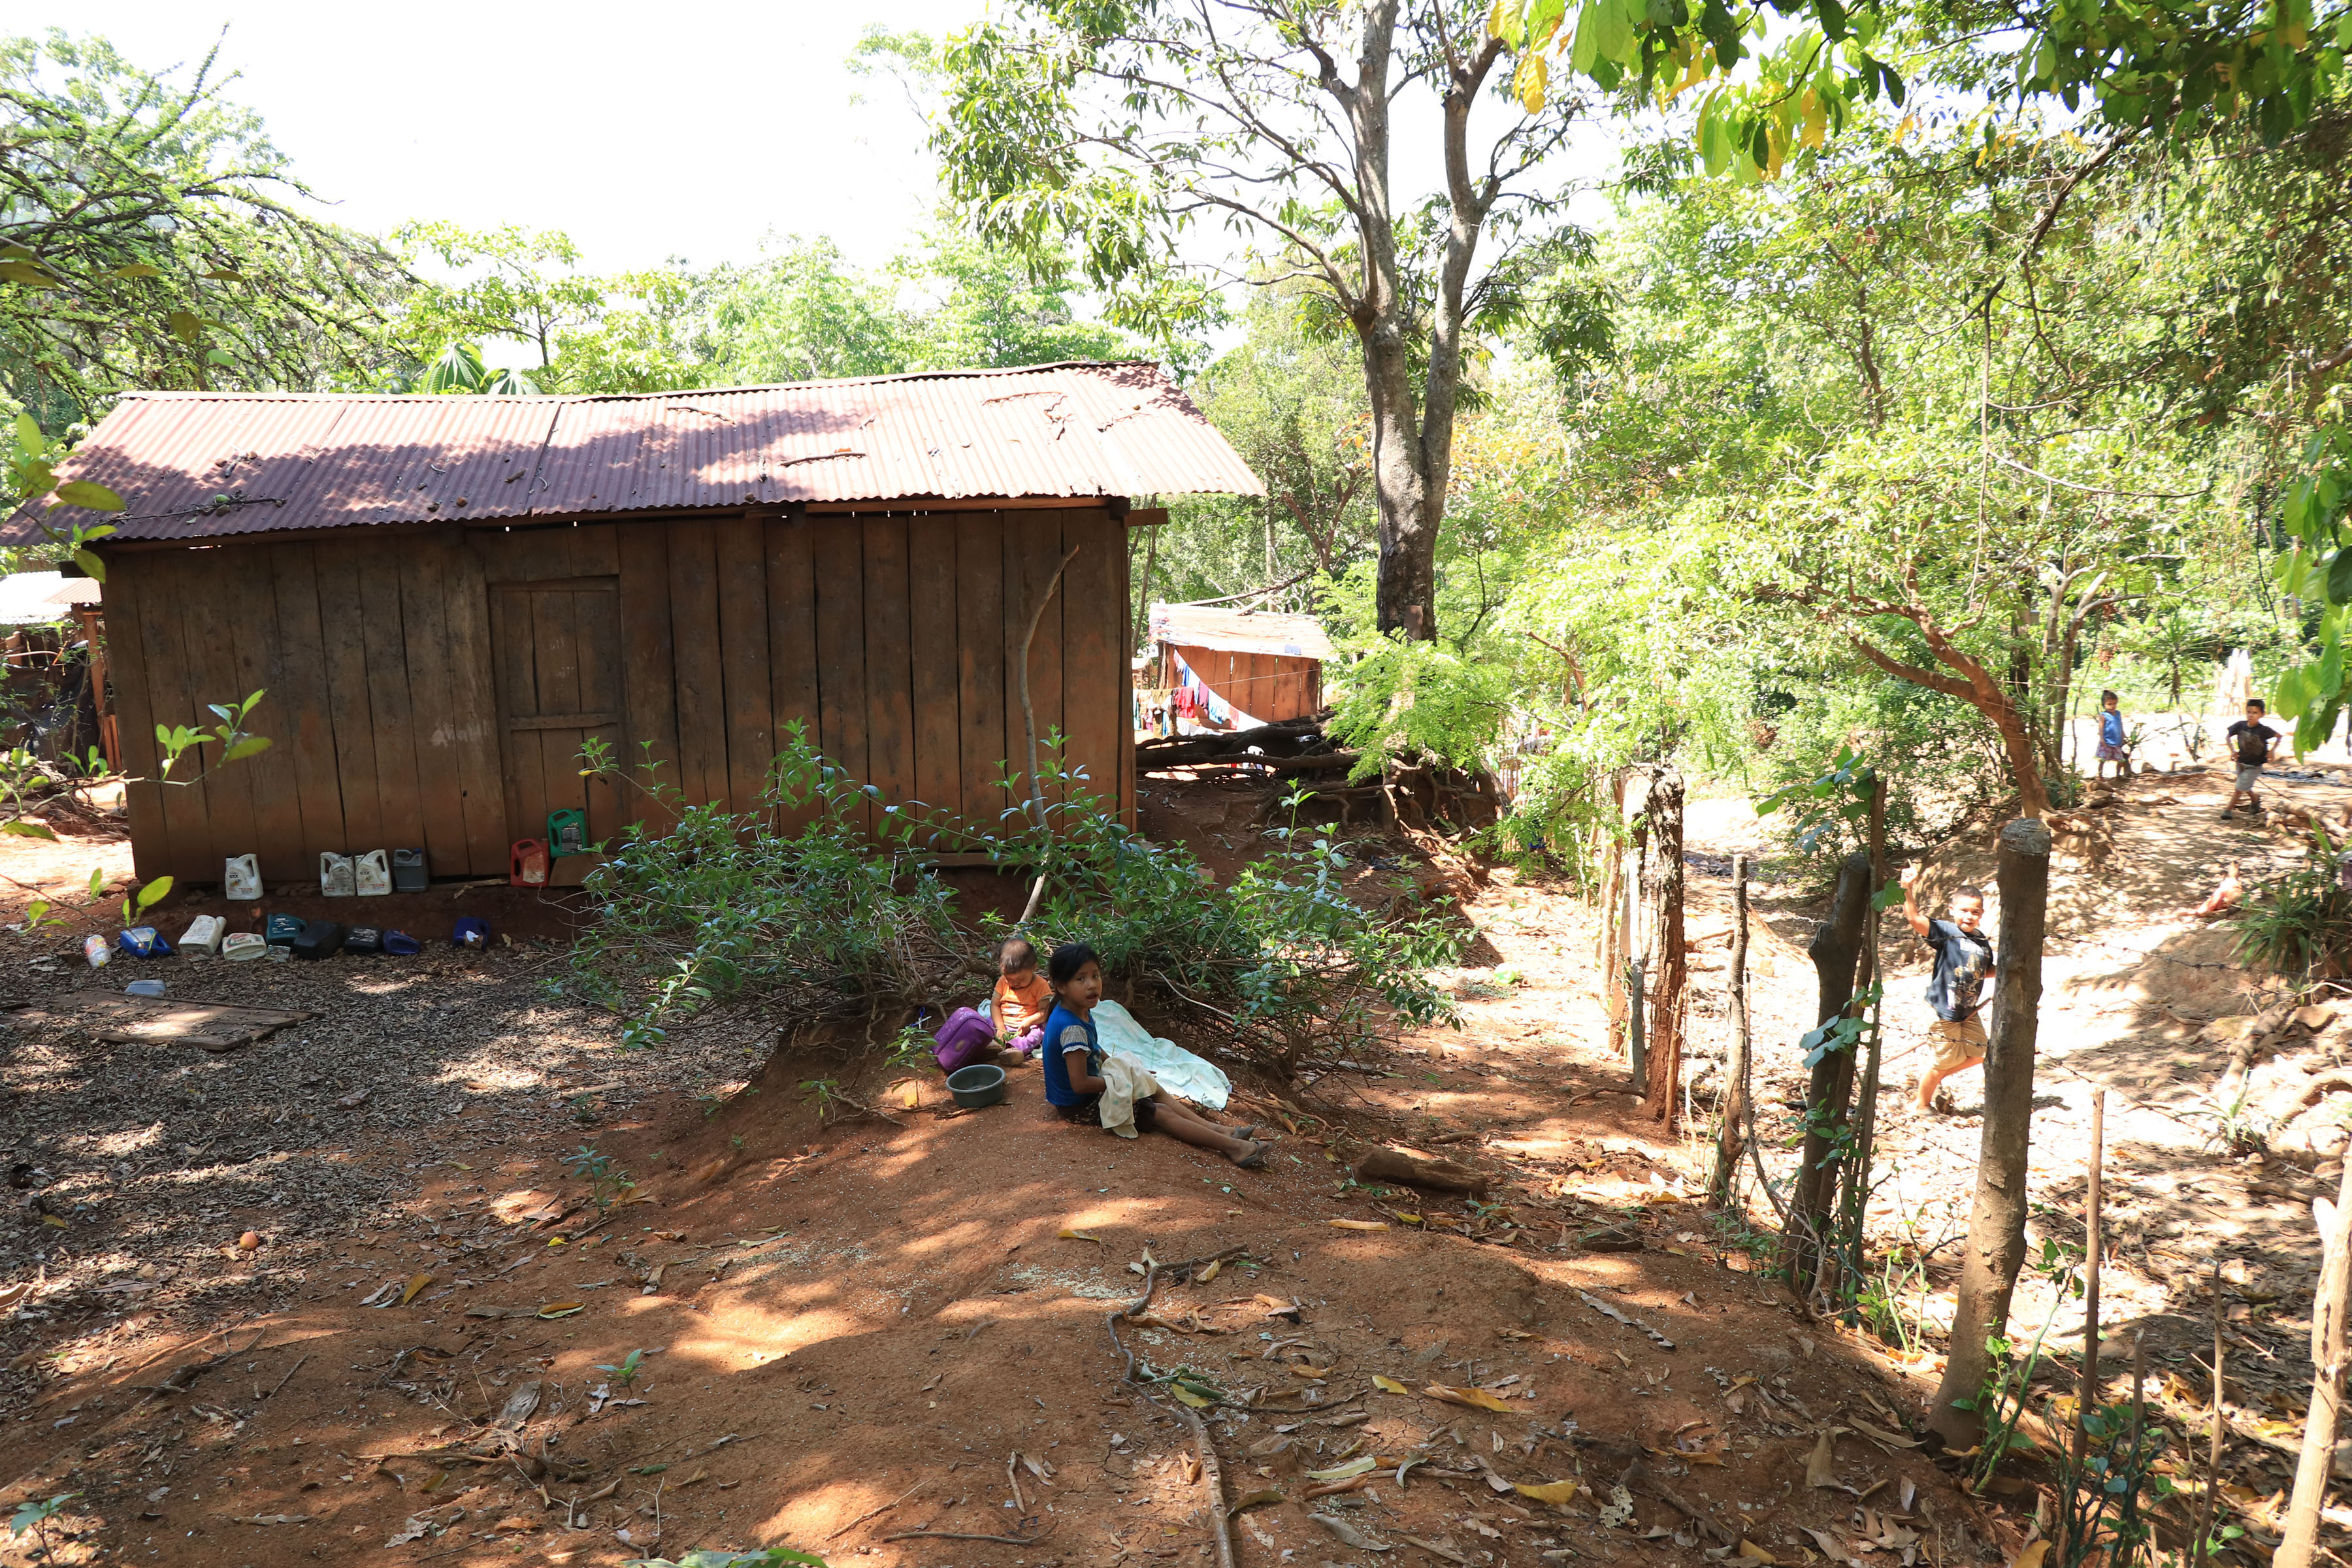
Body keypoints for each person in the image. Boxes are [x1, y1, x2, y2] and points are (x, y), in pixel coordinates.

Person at [1041, 942, 1266, 1166]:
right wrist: (1121, 1080)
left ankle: (1221, 1131)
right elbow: (1080, 1084)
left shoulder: (1079, 1011)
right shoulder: (1072, 1028)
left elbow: (1093, 1048)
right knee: (1160, 1112)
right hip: (1079, 1107)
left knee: (1152, 1087)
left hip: (1087, 1095)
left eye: (1095, 976)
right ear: (1062, 987)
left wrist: (1123, 1069)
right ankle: (1235, 1148)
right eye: (1081, 979)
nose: (1092, 985)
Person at [1901, 866, 1995, 1114]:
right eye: (1964, 910)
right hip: (1944, 1010)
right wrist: (1907, 889)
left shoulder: (1982, 940)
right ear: (1952, 910)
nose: (1969, 916)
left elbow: (1984, 969)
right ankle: (1922, 1103)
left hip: (1968, 1011)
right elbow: (1914, 919)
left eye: (1975, 912)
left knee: (1979, 1054)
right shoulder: (1946, 932)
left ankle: (1932, 1080)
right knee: (1944, 1059)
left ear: (1982, 914)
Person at [992, 936, 1052, 1059]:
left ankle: (1015, 1051)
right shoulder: (1003, 982)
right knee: (984, 1025)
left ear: (1033, 968)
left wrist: (1029, 1021)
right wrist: (1000, 1027)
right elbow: (995, 1005)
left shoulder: (1040, 985)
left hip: (1028, 1027)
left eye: (1021, 979)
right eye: (1010, 979)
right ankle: (991, 1046)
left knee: (1038, 1034)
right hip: (1003, 1023)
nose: (1015, 983)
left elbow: (1044, 1012)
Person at [2220, 698, 2279, 820]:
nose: (2251, 715)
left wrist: (2272, 752)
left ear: (2262, 714)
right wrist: (2233, 751)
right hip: (2241, 762)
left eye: (2255, 713)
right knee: (2244, 786)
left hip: (2255, 765)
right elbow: (2228, 737)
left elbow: (2279, 737)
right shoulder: (2240, 726)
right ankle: (2255, 800)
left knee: (2239, 788)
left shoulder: (2263, 730)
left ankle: (2228, 810)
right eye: (2249, 712)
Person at [2095, 691, 2129, 781]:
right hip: (2107, 742)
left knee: (2120, 760)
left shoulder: (2118, 713)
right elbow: (2101, 728)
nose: (2112, 706)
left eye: (2114, 703)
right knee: (2103, 760)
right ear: (2104, 704)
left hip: (2117, 742)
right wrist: (2102, 739)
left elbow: (2120, 725)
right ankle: (2100, 776)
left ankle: (2118, 776)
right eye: (2109, 704)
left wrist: (2123, 736)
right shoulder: (2104, 715)